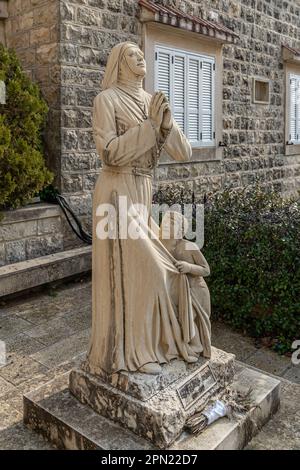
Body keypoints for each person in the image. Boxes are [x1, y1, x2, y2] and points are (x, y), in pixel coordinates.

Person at [86, 41, 204, 376]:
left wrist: (166, 123)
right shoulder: (106, 100)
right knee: (151, 270)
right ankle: (134, 353)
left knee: (148, 273)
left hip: (143, 190)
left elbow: (184, 153)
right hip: (116, 190)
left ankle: (153, 346)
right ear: (119, 64)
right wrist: (150, 128)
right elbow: (109, 152)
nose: (140, 57)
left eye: (142, 53)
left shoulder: (152, 102)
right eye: (132, 54)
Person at [160, 211, 211, 358]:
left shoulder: (189, 246)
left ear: (181, 230)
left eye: (171, 223)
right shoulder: (160, 244)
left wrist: (189, 267)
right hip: (176, 290)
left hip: (195, 290)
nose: (166, 225)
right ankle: (178, 344)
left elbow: (206, 270)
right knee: (175, 317)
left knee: (188, 316)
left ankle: (196, 345)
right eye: (165, 222)